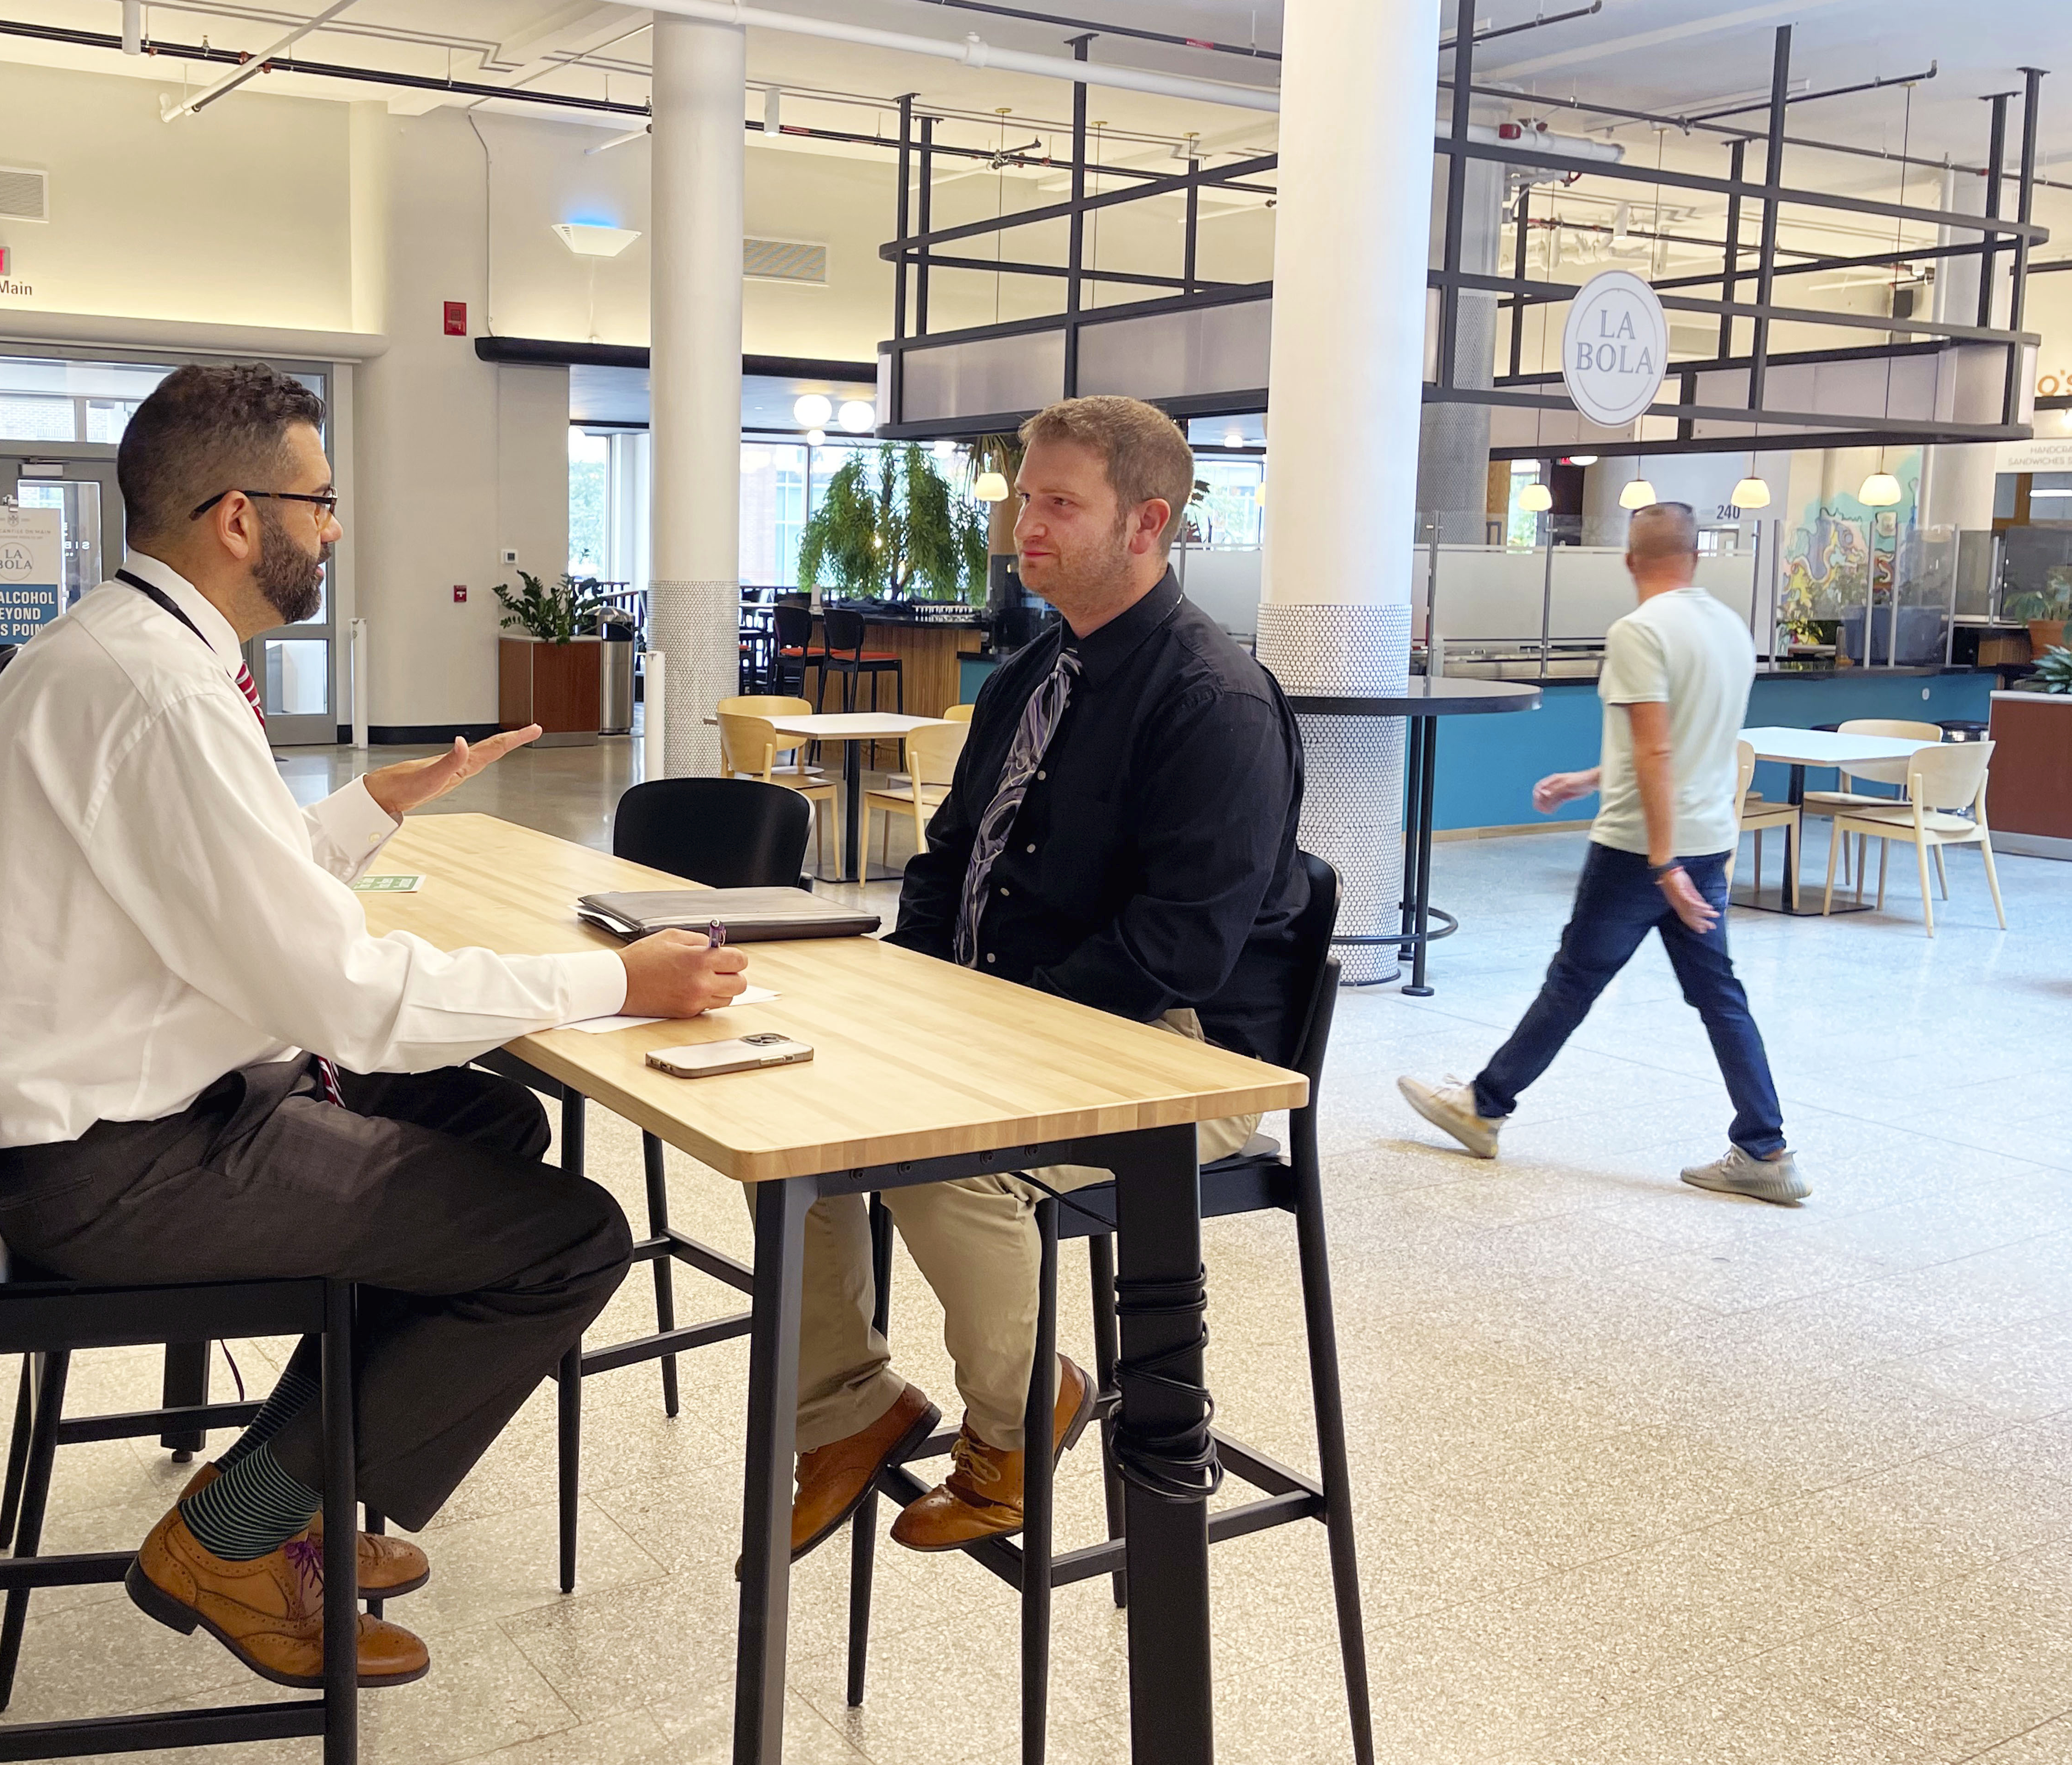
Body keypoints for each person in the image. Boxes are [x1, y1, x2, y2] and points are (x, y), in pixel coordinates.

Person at [0, 362, 748, 1688]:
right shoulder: (164, 698)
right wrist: (619, 984)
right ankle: (236, 1531)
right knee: (564, 1243)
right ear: (238, 519)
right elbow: (353, 1002)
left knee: (493, 1115)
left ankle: (295, 1483)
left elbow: (204, 888)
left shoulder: (108, 653)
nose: (336, 527)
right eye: (319, 501)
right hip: (127, 1169)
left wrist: (372, 806)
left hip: (122, 1115)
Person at [771, 395, 1311, 1561]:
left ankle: (1023, 1422)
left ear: (1149, 523)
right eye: (1027, 497)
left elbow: (1181, 948)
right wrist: (911, 994)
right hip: (1018, 1022)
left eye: (1060, 503)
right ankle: (852, 1409)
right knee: (796, 1113)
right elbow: (950, 853)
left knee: (944, 1167)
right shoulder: (1029, 676)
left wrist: (983, 1032)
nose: (1026, 524)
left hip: (1181, 1055)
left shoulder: (1212, 702)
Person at [1398, 500, 1807, 1205]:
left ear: (1628, 561)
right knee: (1719, 995)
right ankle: (1765, 1147)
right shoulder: (1729, 629)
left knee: (1573, 980)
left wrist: (1661, 862)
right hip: (1707, 842)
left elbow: (1656, 747)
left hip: (1642, 851)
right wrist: (1591, 779)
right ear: (1697, 557)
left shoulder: (1640, 631)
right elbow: (1684, 740)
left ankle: (1484, 1106)